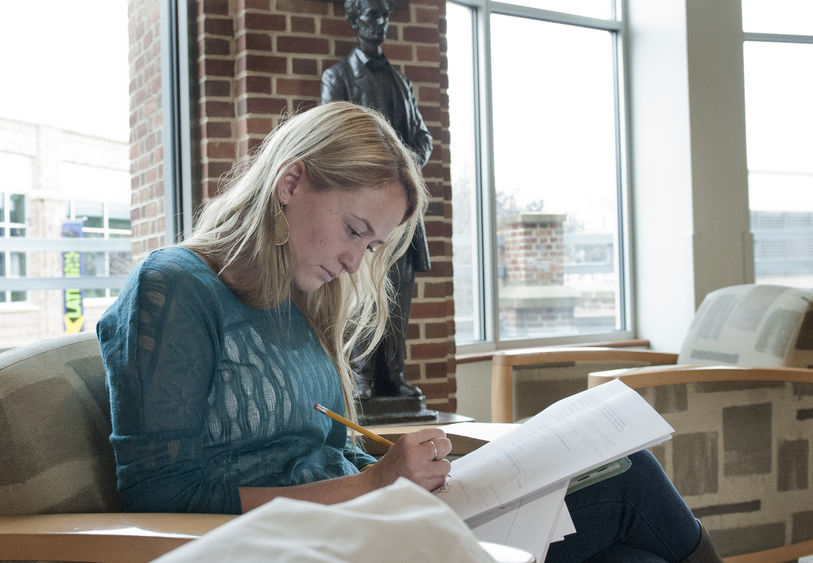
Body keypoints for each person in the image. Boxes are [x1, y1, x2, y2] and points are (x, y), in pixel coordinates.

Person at [97, 101, 720, 562]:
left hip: (371, 526)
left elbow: (321, 454)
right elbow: (160, 493)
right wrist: (373, 484)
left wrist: (409, 471)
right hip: (313, 546)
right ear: (290, 184)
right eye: (353, 229)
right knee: (633, 480)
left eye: (371, 246)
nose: (355, 262)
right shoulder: (175, 286)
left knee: (634, 556)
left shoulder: (298, 303)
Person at [321, 0, 431, 400]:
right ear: (354, 20)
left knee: (399, 296)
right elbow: (331, 135)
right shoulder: (338, 77)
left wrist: (400, 172)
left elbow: (422, 137)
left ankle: (392, 375)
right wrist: (378, 175)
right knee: (361, 291)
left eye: (384, 15)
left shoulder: (401, 82)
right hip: (360, 213)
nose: (379, 22)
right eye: (370, 14)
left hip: (399, 215)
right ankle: (361, 376)